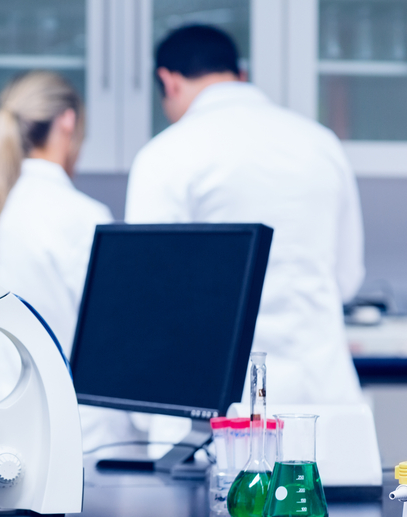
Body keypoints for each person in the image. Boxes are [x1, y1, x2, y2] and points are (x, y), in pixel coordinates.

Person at [126, 25, 365, 406]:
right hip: (320, 394)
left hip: (217, 404)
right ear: (241, 75)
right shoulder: (321, 143)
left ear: (167, 81)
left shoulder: (166, 155)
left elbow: (148, 295)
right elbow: (347, 279)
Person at [0, 70, 134, 448]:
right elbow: (117, 341)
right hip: (83, 436)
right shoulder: (84, 216)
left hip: (2, 428)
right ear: (68, 120)